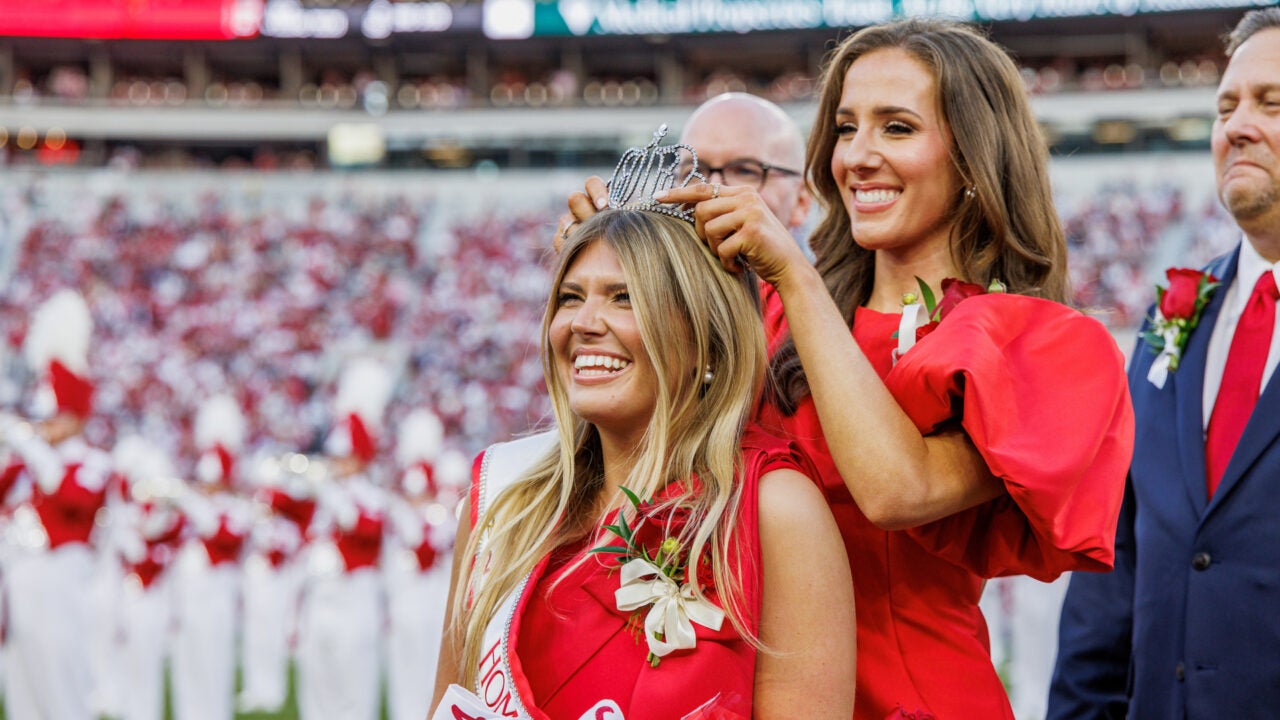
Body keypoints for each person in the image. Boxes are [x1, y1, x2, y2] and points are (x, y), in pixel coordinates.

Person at [652, 18, 1134, 719]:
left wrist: (796, 274)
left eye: (897, 128)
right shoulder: (772, 317)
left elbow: (895, 491)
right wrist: (601, 265)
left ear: (974, 156)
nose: (856, 156)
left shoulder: (1040, 345)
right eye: (845, 128)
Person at [432, 177, 855, 718]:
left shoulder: (774, 509)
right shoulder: (503, 500)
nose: (583, 323)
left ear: (706, 336)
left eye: (624, 297)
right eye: (570, 297)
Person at [1048, 8, 1280, 717]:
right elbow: (1116, 554)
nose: (1236, 127)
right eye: (1225, 108)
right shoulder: (1172, 316)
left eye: (1271, 103)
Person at [0, 288, 113, 720]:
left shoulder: (93, 461)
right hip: (22, 572)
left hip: (63, 576)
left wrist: (31, 448)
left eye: (56, 417)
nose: (47, 425)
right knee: (23, 677)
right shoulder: (28, 462)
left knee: (61, 675)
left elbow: (75, 501)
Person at [558, 91, 811, 246]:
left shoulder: (825, 310)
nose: (711, 188)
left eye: (745, 171)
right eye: (693, 171)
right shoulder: (646, 295)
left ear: (801, 201)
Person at [295, 357, 393, 720]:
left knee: (354, 684)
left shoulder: (372, 494)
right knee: (317, 680)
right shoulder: (325, 494)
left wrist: (331, 495)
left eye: (344, 458)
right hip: (321, 593)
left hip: (355, 596)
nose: (336, 464)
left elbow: (366, 528)